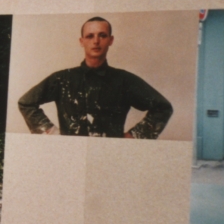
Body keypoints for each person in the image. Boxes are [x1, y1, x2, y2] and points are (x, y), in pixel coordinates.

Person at [17, 16, 173, 138]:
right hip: (69, 154)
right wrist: (51, 133)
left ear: (110, 40)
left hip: (111, 155)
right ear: (82, 41)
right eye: (90, 36)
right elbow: (26, 102)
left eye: (102, 35)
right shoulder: (62, 79)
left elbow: (163, 108)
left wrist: (135, 136)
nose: (96, 41)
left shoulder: (124, 80)